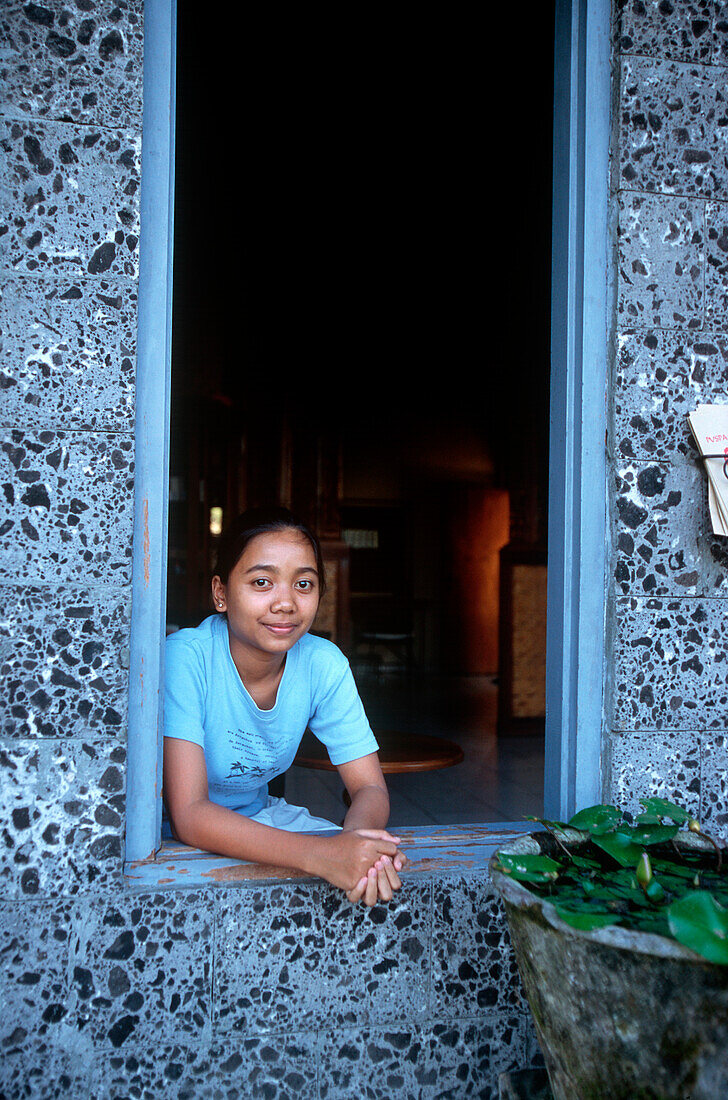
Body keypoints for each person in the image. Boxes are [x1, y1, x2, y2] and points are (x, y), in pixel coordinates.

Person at [163, 506, 407, 905]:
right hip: (167, 833)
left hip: (259, 818)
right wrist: (323, 855)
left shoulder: (322, 664)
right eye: (262, 582)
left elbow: (369, 787)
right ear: (220, 593)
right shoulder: (185, 660)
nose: (286, 603)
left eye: (304, 584)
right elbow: (188, 813)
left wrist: (358, 846)